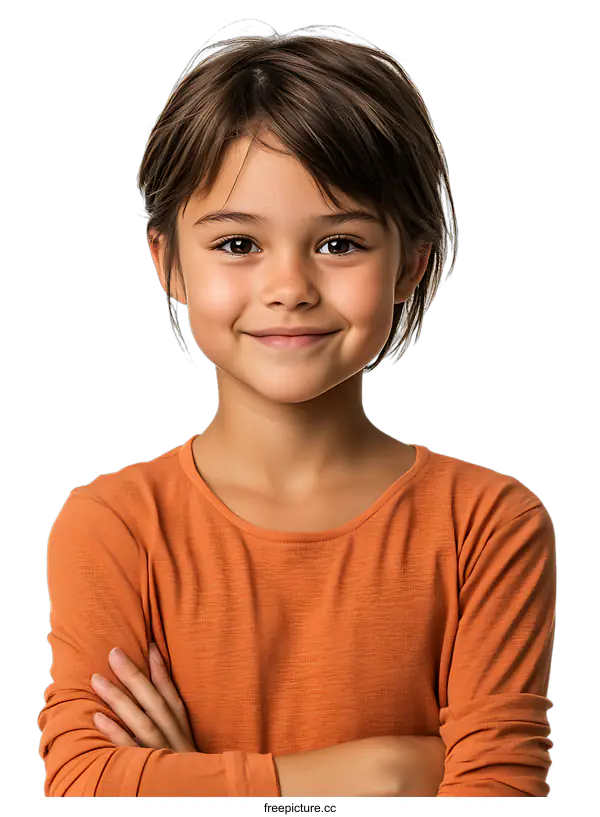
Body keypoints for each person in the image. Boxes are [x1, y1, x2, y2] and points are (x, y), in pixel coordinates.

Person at [38, 33, 557, 797]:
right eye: (238, 243)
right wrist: (392, 771)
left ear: (412, 261)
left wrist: (186, 782)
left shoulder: (487, 524)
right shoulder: (111, 525)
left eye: (340, 243)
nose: (290, 287)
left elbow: (498, 797)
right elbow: (83, 787)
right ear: (167, 260)